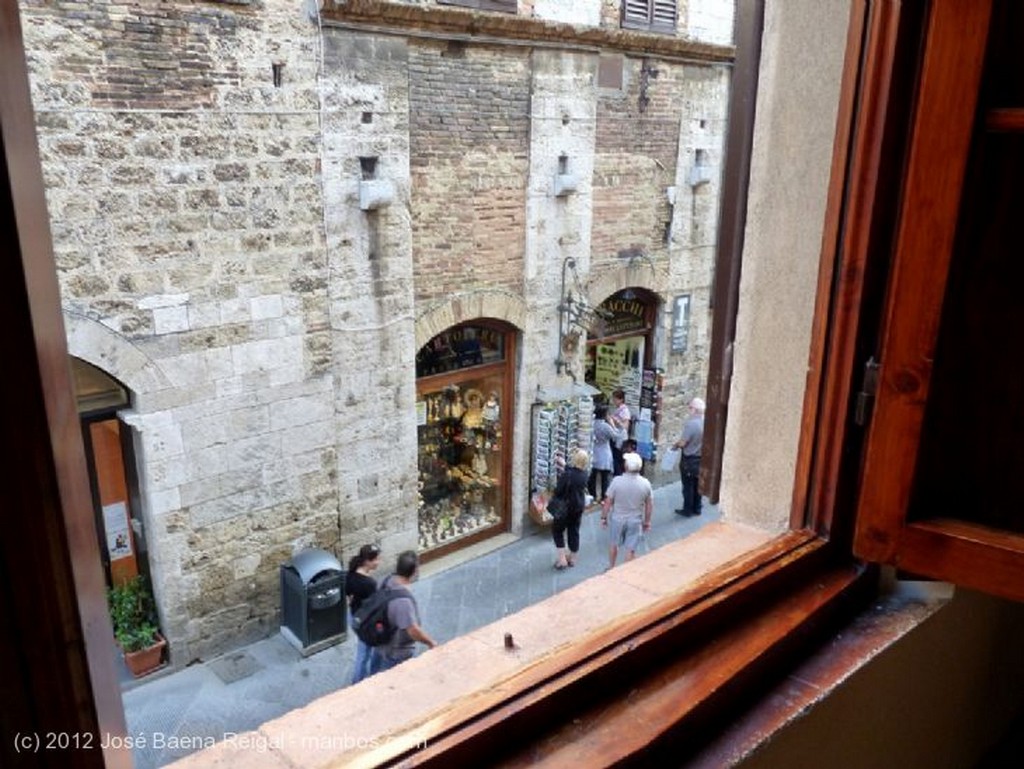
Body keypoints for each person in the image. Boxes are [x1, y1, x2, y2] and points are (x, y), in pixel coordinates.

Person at [369, 550, 437, 674]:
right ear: (414, 571)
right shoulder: (403, 602)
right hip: (396, 651)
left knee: (374, 673)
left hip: (379, 641)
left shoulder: (384, 581)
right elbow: (412, 631)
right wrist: (430, 642)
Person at [601, 452, 653, 569]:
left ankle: (612, 567)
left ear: (626, 466)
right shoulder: (646, 483)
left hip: (617, 518)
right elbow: (649, 505)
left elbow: (608, 501)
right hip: (635, 520)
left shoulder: (616, 481)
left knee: (614, 544)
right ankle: (626, 570)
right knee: (630, 548)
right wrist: (647, 521)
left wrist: (604, 517)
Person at [345, 543, 381, 685]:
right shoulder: (369, 583)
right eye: (376, 559)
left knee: (365, 650)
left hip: (355, 616)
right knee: (364, 652)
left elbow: (348, 596)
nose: (378, 562)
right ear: (367, 561)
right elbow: (375, 605)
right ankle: (358, 682)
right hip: (366, 622)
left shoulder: (350, 575)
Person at [551, 448, 590, 570]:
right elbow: (574, 473)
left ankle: (562, 559)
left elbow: (559, 490)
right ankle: (572, 558)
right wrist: (564, 464)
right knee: (574, 530)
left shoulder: (567, 475)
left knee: (557, 530)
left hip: (565, 508)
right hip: (578, 507)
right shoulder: (585, 474)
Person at [673, 397, 706, 517]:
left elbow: (683, 443)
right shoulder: (706, 421)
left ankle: (687, 510)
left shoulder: (691, 424)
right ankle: (697, 508)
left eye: (690, 407)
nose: (689, 409)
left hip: (690, 458)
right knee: (698, 484)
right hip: (701, 458)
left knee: (688, 486)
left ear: (695, 410)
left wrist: (675, 445)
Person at [589, 404, 626, 506]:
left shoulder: (591, 424)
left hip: (593, 451)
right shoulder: (605, 427)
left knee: (593, 476)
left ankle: (593, 496)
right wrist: (614, 425)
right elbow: (616, 436)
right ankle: (603, 498)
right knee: (604, 477)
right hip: (604, 452)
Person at [610, 389, 632, 476]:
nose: (613, 401)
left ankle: (618, 475)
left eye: (615, 399)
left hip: (621, 438)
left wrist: (616, 420)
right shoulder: (618, 409)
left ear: (621, 399)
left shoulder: (624, 411)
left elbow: (625, 426)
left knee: (618, 458)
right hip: (616, 436)